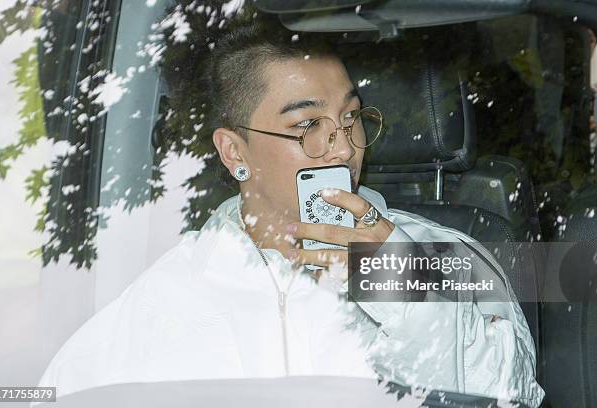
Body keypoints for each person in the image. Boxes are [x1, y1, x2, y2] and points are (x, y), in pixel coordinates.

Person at [36, 23, 544, 407]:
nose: (343, 148)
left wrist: (396, 274)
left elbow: (507, 392)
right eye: (308, 126)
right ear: (235, 152)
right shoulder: (161, 298)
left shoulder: (453, 257)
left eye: (350, 118)